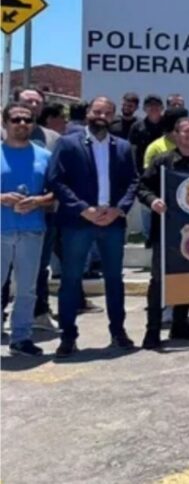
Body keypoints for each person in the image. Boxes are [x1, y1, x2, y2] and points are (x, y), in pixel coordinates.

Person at [47, 96, 139, 357]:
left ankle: (118, 332)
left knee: (114, 280)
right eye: (97, 111)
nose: (102, 116)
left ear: (113, 117)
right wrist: (82, 209)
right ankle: (68, 336)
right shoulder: (67, 143)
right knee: (71, 279)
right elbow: (56, 180)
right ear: (88, 113)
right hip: (78, 222)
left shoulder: (122, 147)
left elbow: (133, 182)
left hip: (112, 222)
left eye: (107, 113)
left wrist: (119, 209)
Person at [136, 117, 189, 348]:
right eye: (186, 132)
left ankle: (180, 324)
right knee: (159, 281)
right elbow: (141, 187)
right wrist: (153, 201)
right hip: (166, 230)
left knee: (188, 278)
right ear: (176, 135)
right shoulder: (162, 161)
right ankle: (152, 330)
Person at [1, 102, 55, 356]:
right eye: (16, 119)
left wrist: (38, 201)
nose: (22, 124)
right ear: (5, 123)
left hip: (33, 230)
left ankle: (21, 337)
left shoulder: (45, 156)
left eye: (27, 120)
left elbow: (57, 193)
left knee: (27, 288)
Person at [128, 95, 164, 174]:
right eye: (150, 106)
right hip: (143, 171)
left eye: (157, 105)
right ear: (144, 109)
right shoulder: (137, 127)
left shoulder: (169, 126)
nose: (153, 108)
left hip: (165, 170)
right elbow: (132, 151)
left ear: (162, 108)